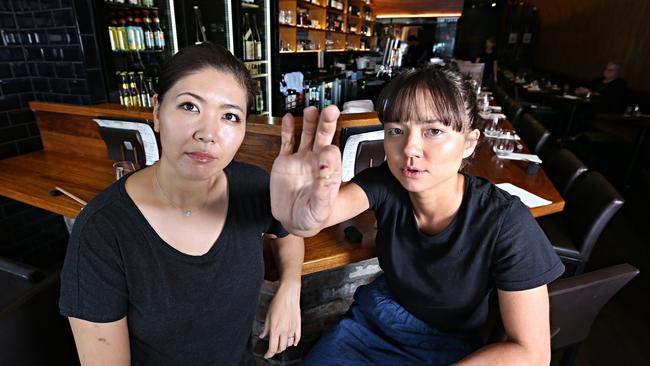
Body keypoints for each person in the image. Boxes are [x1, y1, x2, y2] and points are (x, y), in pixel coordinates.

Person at [270, 67, 564, 365]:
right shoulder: (386, 181)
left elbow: (532, 353)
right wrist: (300, 214)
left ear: (470, 142)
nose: (409, 148)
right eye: (396, 131)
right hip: (371, 323)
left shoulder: (506, 222)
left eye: (433, 131)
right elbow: (321, 214)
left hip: (446, 345)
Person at [59, 43, 304, 365]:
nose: (208, 133)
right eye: (190, 106)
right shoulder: (103, 230)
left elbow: (288, 232)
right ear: (157, 111)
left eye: (230, 116)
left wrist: (290, 287)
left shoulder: (253, 186)